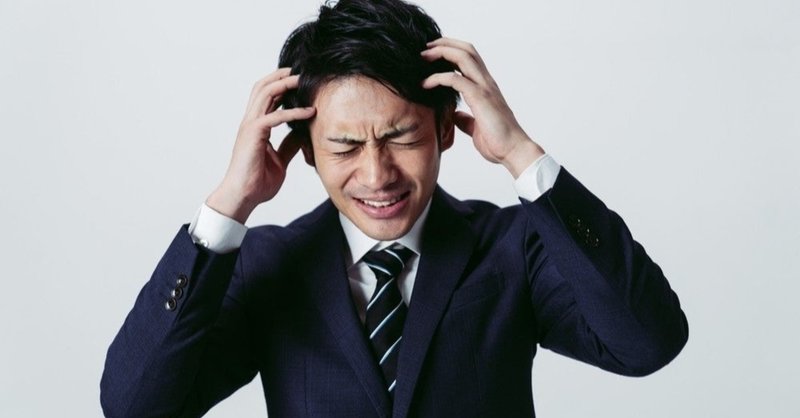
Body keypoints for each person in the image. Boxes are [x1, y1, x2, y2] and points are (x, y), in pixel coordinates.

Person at [100, 0, 688, 416]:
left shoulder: (514, 246)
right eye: (344, 147)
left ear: (446, 128)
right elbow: (136, 406)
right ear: (305, 150)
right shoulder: (268, 265)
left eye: (402, 138)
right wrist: (228, 205)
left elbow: (647, 342)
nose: (377, 175)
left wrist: (521, 154)